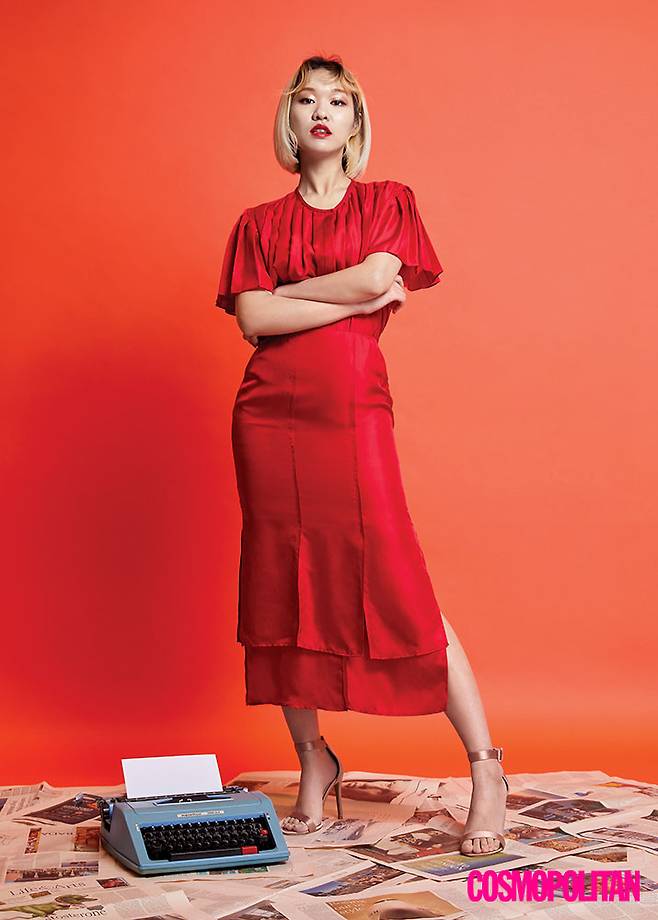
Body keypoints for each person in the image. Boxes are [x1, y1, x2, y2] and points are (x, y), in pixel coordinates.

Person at [215, 55, 509, 855]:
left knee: (398, 580)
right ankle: (314, 756)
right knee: (281, 582)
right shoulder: (257, 223)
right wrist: (350, 295)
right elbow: (253, 319)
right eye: (307, 99)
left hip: (351, 413)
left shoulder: (386, 202)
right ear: (289, 118)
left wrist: (291, 296)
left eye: (338, 102)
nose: (322, 111)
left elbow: (378, 273)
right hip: (267, 416)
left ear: (355, 121)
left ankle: (486, 767)